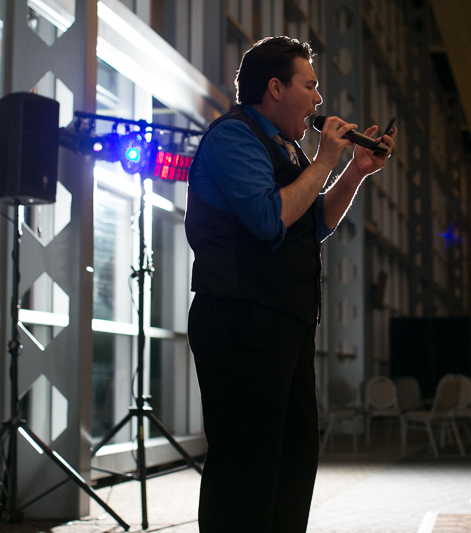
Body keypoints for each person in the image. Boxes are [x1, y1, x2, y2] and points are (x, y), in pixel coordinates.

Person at [184, 36, 396, 533]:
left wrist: (355, 171)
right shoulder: (235, 136)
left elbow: (313, 221)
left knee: (293, 457)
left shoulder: (288, 149)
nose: (319, 100)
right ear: (275, 88)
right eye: (311, 85)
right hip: (240, 320)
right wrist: (324, 160)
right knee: (247, 463)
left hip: (284, 322)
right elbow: (268, 218)